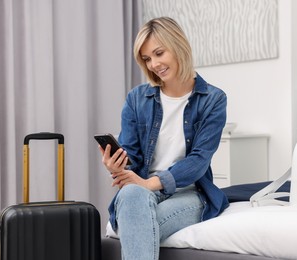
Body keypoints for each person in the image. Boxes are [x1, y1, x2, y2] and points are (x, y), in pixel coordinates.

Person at [98, 16, 229, 260]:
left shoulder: (213, 99)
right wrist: (116, 166)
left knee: (136, 221)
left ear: (178, 45)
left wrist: (150, 183)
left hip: (190, 192)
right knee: (129, 195)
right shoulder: (136, 99)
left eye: (159, 53)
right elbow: (132, 158)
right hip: (141, 188)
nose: (154, 64)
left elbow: (199, 161)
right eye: (147, 59)